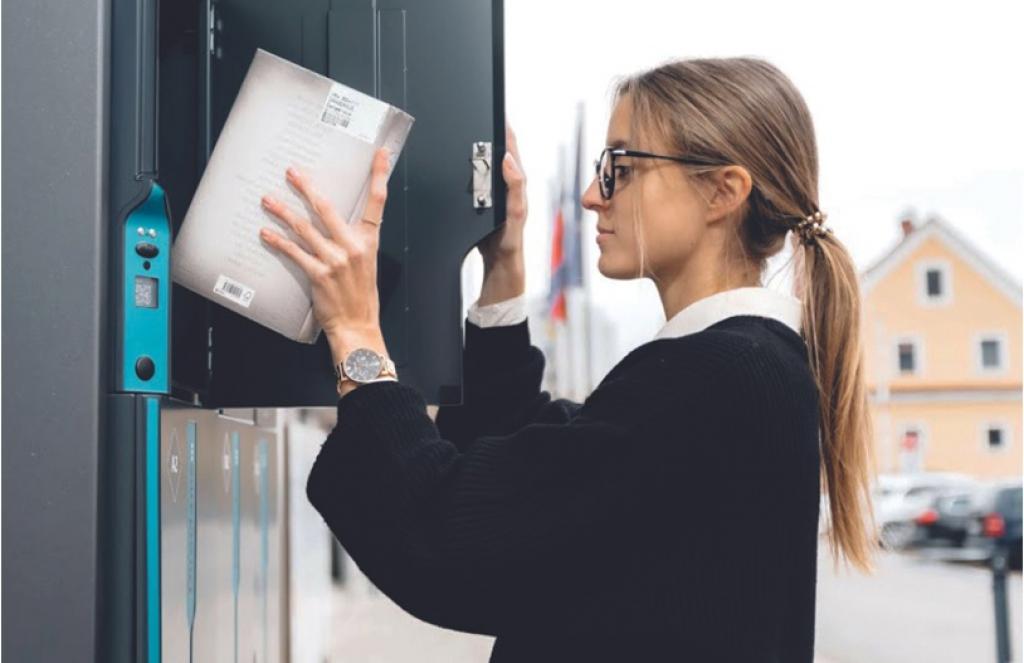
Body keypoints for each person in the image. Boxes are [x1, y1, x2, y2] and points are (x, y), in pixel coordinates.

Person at [259, 56, 880, 662]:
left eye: (620, 168)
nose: (590, 196)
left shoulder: (718, 377)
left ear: (723, 191)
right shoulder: (742, 367)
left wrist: (355, 335)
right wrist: (503, 271)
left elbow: (454, 543)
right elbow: (534, 478)